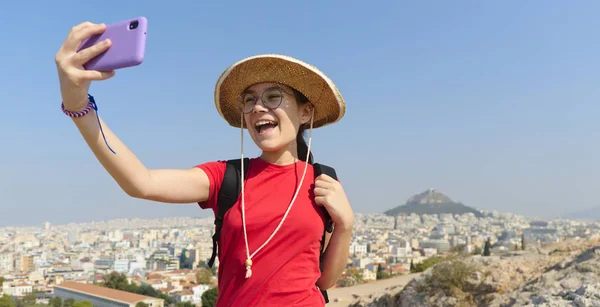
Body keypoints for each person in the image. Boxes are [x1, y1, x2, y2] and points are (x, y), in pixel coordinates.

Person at [55, 22, 354, 306]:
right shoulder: (227, 177)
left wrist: (345, 226)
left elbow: (324, 280)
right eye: (249, 101)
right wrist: (79, 106)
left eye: (273, 96)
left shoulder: (322, 182)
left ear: (306, 112)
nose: (258, 107)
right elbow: (141, 182)